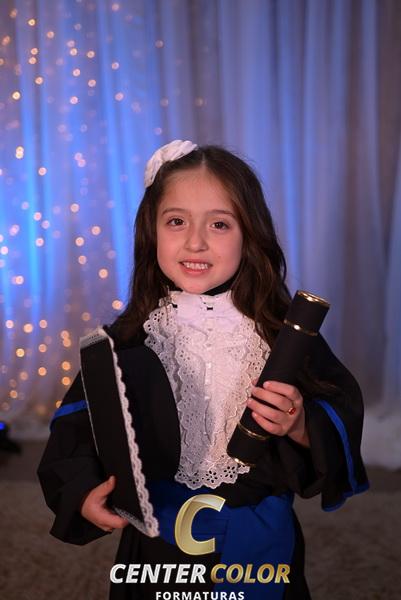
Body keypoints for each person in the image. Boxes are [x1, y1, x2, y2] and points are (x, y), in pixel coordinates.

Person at [38, 140, 369, 600]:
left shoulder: (283, 337)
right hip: (158, 544)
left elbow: (339, 408)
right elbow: (76, 433)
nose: (195, 242)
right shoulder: (125, 342)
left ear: (249, 234)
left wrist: (299, 426)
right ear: (151, 232)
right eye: (176, 221)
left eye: (219, 224)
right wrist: (84, 492)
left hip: (260, 540)